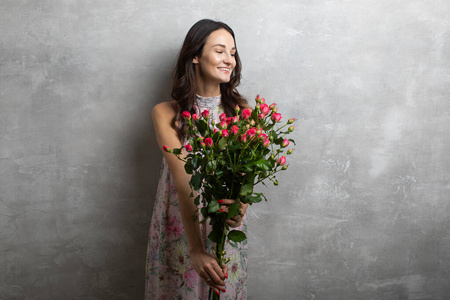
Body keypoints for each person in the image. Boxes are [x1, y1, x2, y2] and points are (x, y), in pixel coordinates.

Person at [146, 19, 250, 299]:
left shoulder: (241, 112)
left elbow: (245, 177)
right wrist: (195, 249)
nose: (229, 59)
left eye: (233, 52)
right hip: (180, 225)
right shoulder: (165, 113)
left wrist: (242, 206)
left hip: (224, 230)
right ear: (195, 55)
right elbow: (184, 181)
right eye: (220, 51)